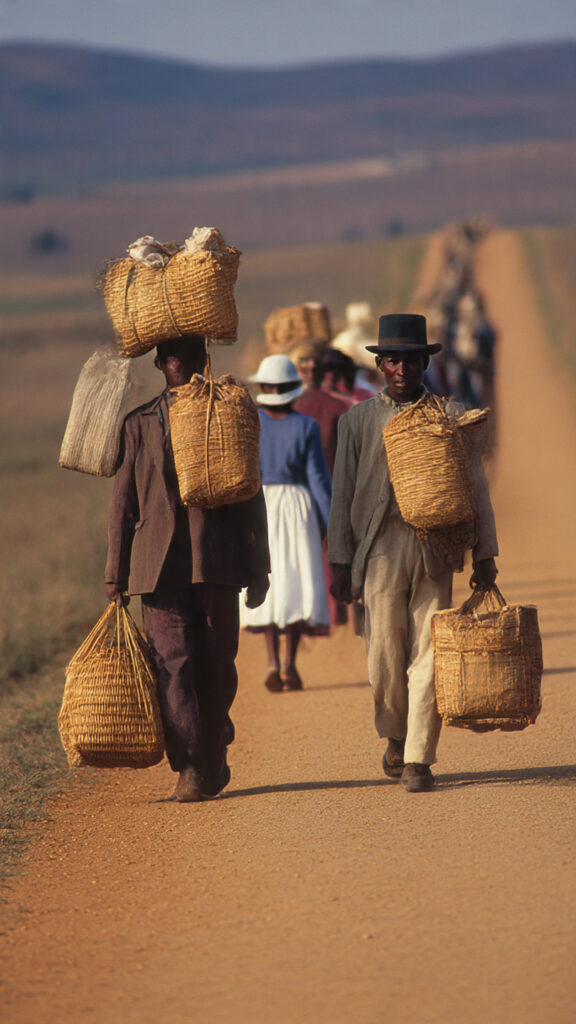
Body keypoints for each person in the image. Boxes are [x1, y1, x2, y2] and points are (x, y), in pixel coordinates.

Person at [328, 314, 498, 793]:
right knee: (383, 655)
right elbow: (341, 495)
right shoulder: (357, 421)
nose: (402, 368)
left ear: (426, 362)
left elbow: (477, 489)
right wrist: (339, 560)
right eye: (393, 359)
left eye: (411, 359)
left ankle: (418, 758)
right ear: (380, 365)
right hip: (376, 551)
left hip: (435, 549)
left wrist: (485, 551)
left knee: (429, 651)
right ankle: (396, 735)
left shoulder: (451, 416)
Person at [105, 335, 270, 803]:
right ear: (158, 363)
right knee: (172, 666)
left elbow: (251, 495)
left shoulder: (228, 414)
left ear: (204, 360)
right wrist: (115, 576)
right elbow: (122, 506)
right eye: (170, 355)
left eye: (188, 355)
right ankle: (191, 765)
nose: (177, 362)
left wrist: (260, 568)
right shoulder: (138, 424)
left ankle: (212, 746)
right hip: (157, 566)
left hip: (217, 560)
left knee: (217, 666)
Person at [241, 354, 332, 692]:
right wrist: (328, 525)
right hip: (298, 508)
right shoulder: (307, 426)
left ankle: (270, 662)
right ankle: (291, 664)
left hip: (260, 506)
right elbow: (318, 480)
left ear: (264, 388)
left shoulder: (252, 424)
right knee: (295, 582)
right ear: (293, 388)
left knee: (269, 583)